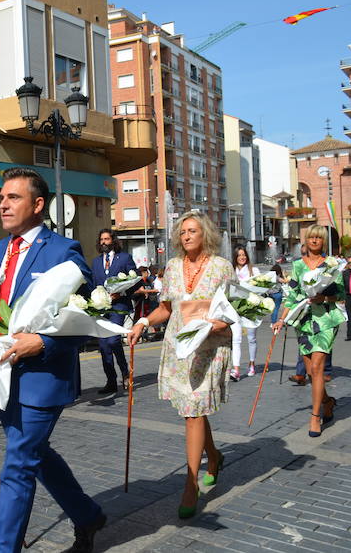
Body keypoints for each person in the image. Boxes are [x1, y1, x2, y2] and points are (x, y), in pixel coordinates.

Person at [0, 168, 104, 553]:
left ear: (38, 205)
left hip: (44, 379)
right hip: (4, 378)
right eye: (2, 198)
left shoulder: (62, 252)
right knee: (36, 457)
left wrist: (41, 342)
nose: (3, 204)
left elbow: (85, 320)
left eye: (14, 198)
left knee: (18, 464)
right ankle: (87, 515)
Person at [127, 212, 235, 519]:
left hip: (209, 348)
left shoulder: (221, 267)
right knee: (193, 410)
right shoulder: (173, 267)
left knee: (194, 411)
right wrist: (144, 322)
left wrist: (217, 322)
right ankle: (213, 457)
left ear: (206, 234)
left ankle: (191, 484)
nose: (186, 236)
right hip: (179, 349)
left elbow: (234, 308)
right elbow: (166, 308)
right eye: (183, 232)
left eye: (192, 231)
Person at [273, 225, 343, 438]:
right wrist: (281, 318)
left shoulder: (331, 265)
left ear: (323, 241)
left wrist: (325, 297)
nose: (314, 241)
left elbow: (341, 293)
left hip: (326, 320)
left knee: (318, 366)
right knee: (311, 372)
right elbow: (292, 294)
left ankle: (315, 417)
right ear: (306, 241)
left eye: (318, 238)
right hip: (303, 321)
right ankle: (328, 402)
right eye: (311, 237)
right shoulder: (297, 266)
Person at [90, 229, 137, 393]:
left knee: (113, 341)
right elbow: (93, 284)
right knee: (103, 345)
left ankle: (125, 373)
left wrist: (122, 292)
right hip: (102, 308)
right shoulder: (96, 262)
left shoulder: (124, 258)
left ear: (113, 240)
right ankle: (110, 380)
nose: (104, 242)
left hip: (119, 306)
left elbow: (135, 280)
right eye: (101, 239)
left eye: (107, 239)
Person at [229, 247, 259, 381]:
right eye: (239, 255)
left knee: (251, 338)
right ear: (235, 257)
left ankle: (252, 364)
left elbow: (260, 288)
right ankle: (236, 370)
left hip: (251, 307)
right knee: (236, 339)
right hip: (235, 309)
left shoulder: (254, 270)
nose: (242, 257)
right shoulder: (231, 272)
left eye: (244, 255)